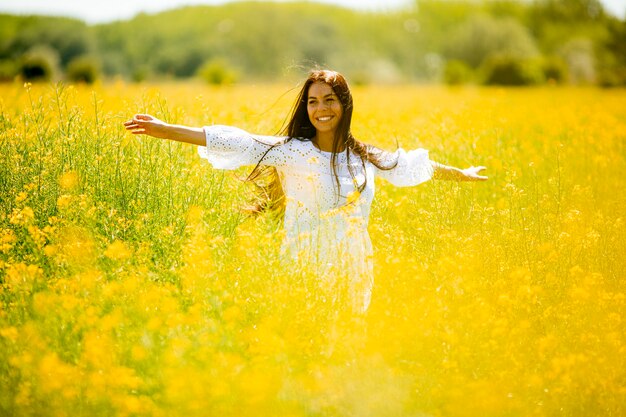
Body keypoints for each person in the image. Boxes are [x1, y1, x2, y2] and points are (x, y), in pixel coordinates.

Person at [124, 69, 487, 313]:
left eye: (329, 99)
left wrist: (464, 174)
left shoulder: (363, 155)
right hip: (305, 270)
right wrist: (166, 129)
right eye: (312, 101)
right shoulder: (294, 151)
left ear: (344, 104)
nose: (320, 109)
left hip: (355, 272)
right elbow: (237, 140)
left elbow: (412, 166)